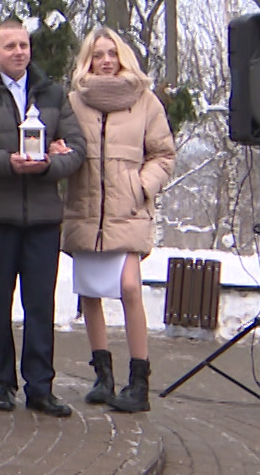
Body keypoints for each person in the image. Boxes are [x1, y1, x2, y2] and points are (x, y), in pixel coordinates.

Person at [0, 19, 86, 417]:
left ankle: (40, 386)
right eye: (10, 46)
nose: (19, 52)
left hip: (43, 218)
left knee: (40, 305)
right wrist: (7, 163)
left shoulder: (51, 91)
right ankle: (2, 382)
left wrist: (51, 164)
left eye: (24, 45)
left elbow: (78, 149)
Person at [64, 28, 177, 414]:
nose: (106, 60)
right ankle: (102, 376)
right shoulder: (74, 102)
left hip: (128, 210)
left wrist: (141, 186)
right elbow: (63, 147)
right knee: (90, 292)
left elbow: (163, 154)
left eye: (113, 53)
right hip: (85, 209)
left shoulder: (146, 102)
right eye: (98, 54)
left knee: (129, 286)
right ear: (88, 61)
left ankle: (139, 381)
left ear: (124, 57)